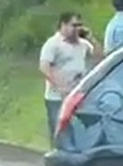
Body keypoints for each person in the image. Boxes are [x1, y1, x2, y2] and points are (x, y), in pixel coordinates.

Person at [39, 11, 96, 141]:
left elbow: (101, 56)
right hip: (57, 97)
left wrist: (91, 38)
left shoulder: (82, 44)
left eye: (79, 26)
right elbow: (44, 67)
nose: (77, 29)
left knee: (78, 131)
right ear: (63, 25)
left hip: (77, 95)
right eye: (74, 25)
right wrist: (60, 87)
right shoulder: (53, 44)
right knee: (59, 131)